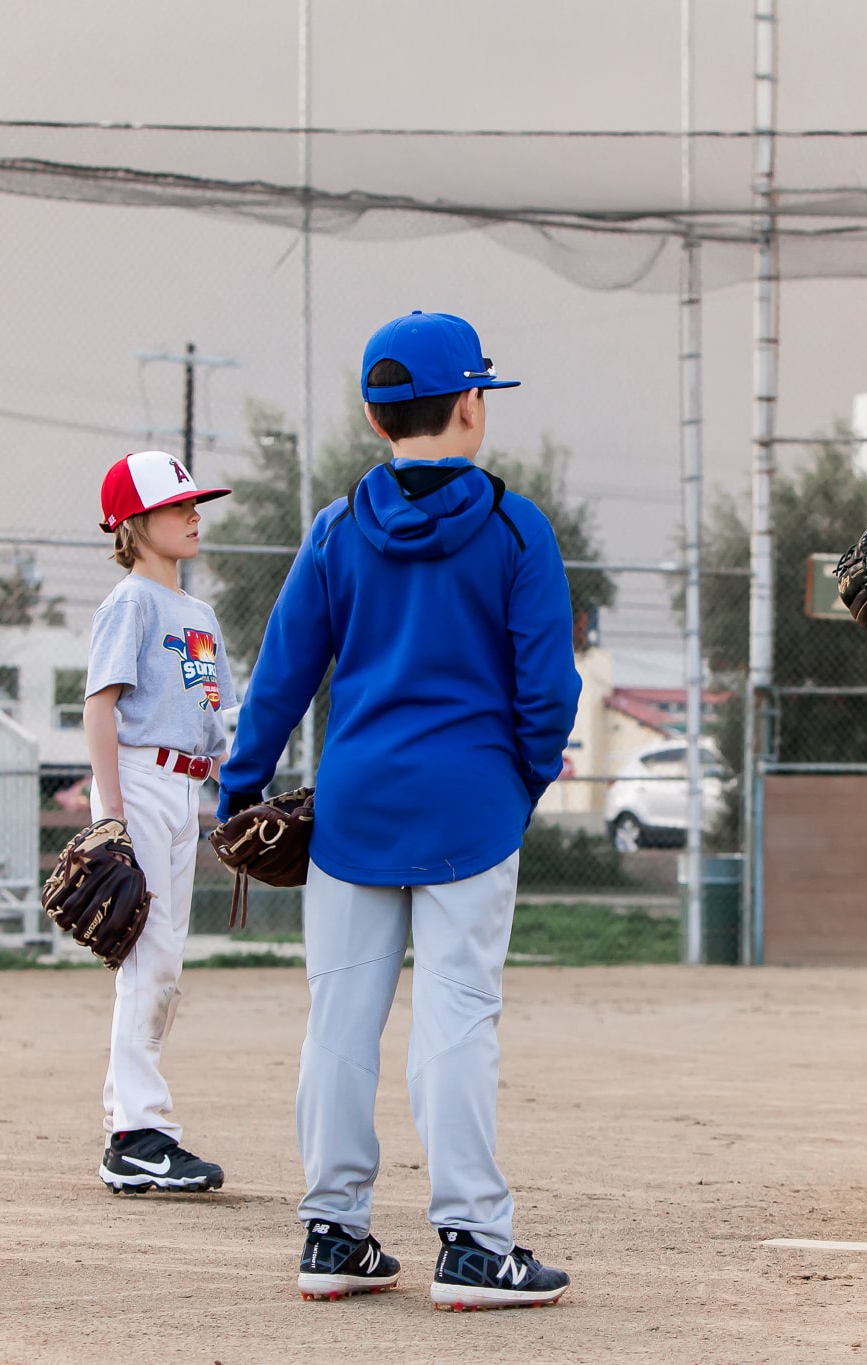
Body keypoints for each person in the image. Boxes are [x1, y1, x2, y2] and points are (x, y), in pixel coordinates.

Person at [218, 310, 582, 1309]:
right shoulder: (514, 525)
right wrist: (522, 782)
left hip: (357, 806)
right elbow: (547, 688)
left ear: (379, 421)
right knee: (456, 1019)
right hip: (469, 804)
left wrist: (240, 788)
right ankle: (471, 1244)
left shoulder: (338, 529)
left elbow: (282, 673)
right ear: (469, 404)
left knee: (339, 1020)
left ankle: (331, 1234)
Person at [84, 451, 235, 1194]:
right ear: (135, 524)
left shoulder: (198, 615)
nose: (193, 513)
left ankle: (129, 1126)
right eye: (178, 506)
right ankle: (139, 1131)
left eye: (193, 503)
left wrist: (240, 787)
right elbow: (100, 708)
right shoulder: (132, 602)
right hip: (140, 779)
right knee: (150, 959)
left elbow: (218, 717)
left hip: (187, 789)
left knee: (162, 958)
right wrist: (109, 815)